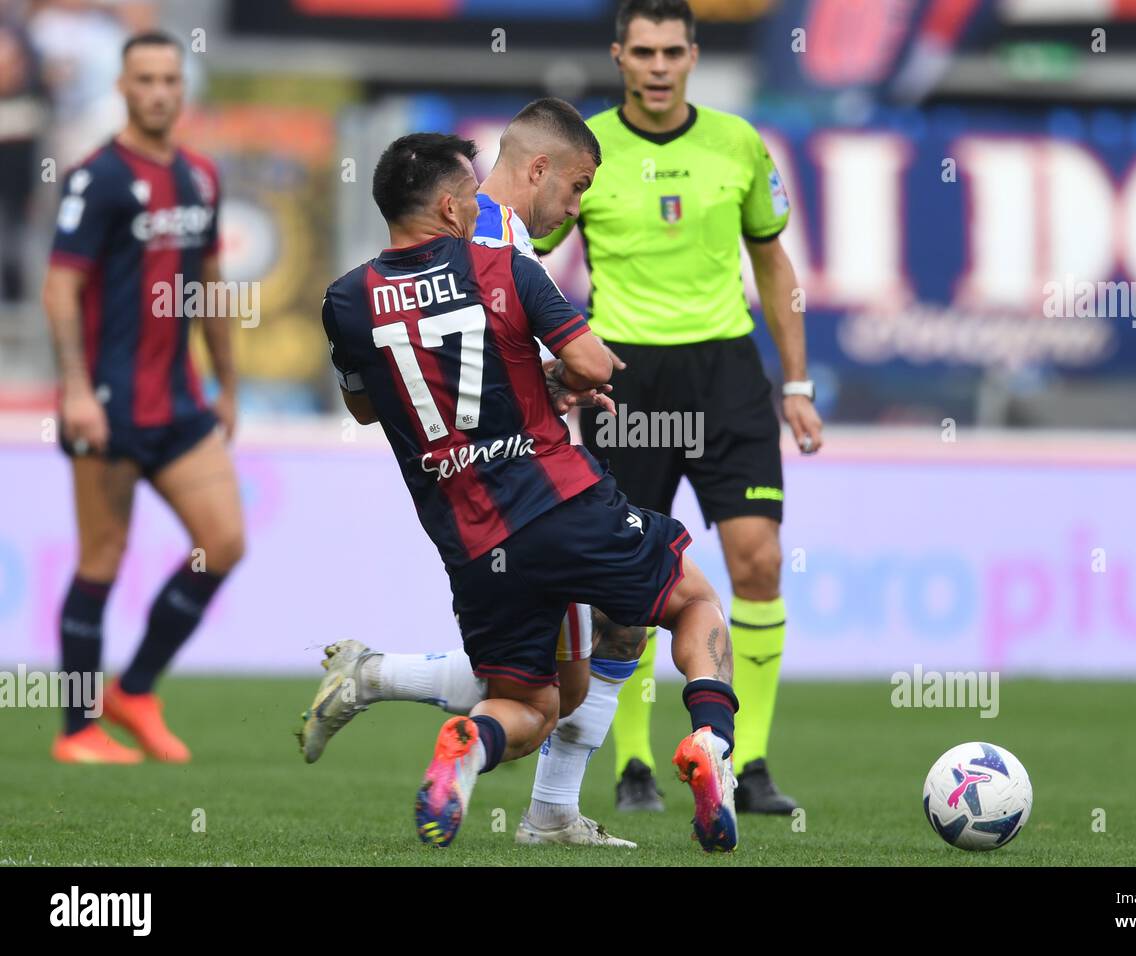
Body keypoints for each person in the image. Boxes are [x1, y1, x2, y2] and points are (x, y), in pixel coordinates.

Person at [319, 131, 742, 851]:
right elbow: (589, 360)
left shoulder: (347, 300)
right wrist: (572, 375)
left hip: (473, 541)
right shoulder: (503, 266)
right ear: (451, 206)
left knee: (533, 704)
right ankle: (711, 741)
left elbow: (366, 407)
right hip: (559, 501)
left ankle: (468, 742)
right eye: (472, 193)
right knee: (694, 600)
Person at [299, 99, 642, 848]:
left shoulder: (435, 258)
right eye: (577, 188)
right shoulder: (484, 243)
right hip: (530, 488)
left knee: (568, 673)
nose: (576, 208)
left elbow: (409, 384)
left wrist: (543, 380)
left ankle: (376, 680)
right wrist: (562, 378)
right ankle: (545, 807)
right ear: (541, 168)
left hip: (472, 503)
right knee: (606, 640)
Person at [532, 0, 824, 813]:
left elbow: (773, 266)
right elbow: (529, 254)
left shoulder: (737, 141)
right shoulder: (585, 150)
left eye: (673, 52)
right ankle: (632, 766)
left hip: (726, 372)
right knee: (626, 583)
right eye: (643, 52)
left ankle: (748, 761)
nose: (658, 67)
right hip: (625, 377)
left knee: (759, 560)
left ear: (693, 55)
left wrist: (795, 384)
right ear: (618, 55)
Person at [44, 30, 243, 764]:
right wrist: (74, 391)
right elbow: (59, 287)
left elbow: (212, 284)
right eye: (145, 79)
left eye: (170, 79)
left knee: (223, 542)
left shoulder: (200, 178)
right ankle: (78, 730)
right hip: (110, 401)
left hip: (182, 403)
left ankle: (137, 688)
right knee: (103, 558)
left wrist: (228, 382)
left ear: (181, 89)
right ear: (123, 88)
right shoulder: (95, 178)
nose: (160, 91)